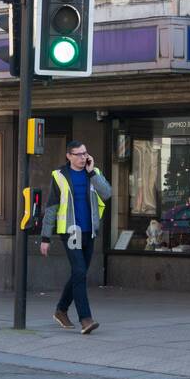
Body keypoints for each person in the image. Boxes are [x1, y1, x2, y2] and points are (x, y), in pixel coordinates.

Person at [40, 141, 112, 334]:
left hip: (90, 231)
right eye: (78, 154)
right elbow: (51, 208)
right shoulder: (60, 176)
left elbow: (107, 193)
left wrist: (91, 173)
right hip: (70, 231)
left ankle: (61, 310)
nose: (83, 157)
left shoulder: (93, 173)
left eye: (85, 153)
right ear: (69, 156)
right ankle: (86, 319)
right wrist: (46, 237)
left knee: (79, 273)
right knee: (79, 270)